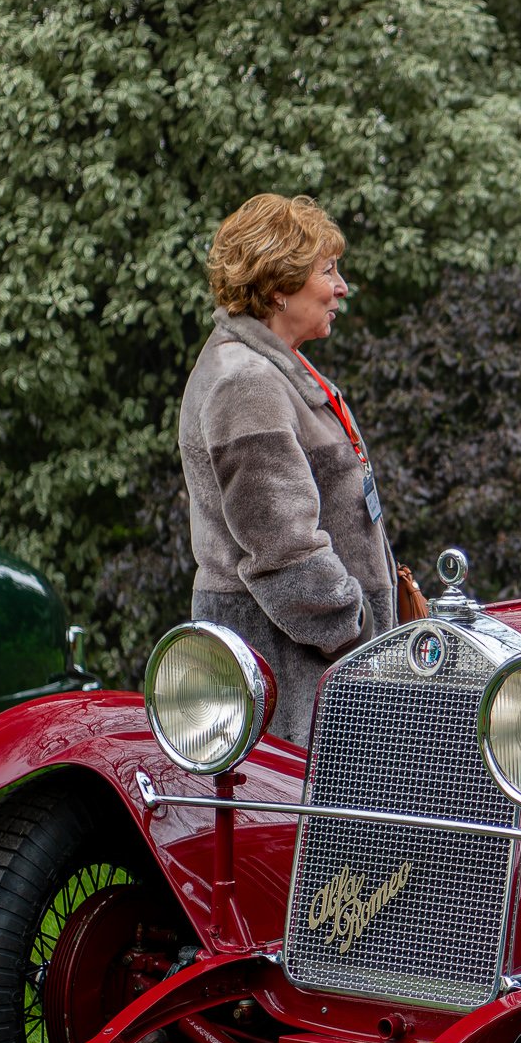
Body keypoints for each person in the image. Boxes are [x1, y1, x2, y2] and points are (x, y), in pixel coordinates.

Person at [180, 193, 397, 744]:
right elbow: (281, 550)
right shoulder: (245, 381)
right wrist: (357, 628)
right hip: (289, 666)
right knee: (291, 828)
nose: (342, 287)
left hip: (309, 656)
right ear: (278, 287)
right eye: (327, 271)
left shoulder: (267, 365)